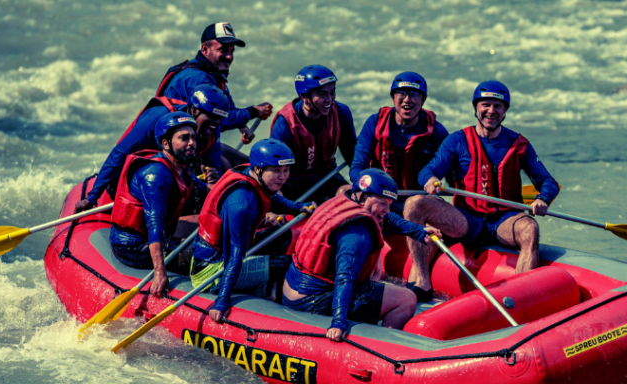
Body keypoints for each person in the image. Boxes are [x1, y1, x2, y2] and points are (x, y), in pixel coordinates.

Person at [403, 80, 560, 302]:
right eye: (485, 105)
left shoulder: (519, 143)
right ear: (476, 107)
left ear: (505, 110)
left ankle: (523, 297)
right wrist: (430, 180)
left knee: (530, 228)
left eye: (498, 106)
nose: (491, 111)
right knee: (414, 203)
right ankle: (422, 281)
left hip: (504, 220)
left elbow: (548, 182)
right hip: (466, 219)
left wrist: (543, 199)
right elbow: (427, 171)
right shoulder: (457, 141)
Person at [282, 169, 441, 342]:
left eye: (389, 203)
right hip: (311, 302)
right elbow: (345, 279)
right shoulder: (357, 235)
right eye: (382, 203)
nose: (387, 209)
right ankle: (383, 345)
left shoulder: (344, 201)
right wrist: (338, 322)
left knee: (374, 282)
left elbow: (388, 219)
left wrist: (418, 231)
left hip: (292, 290)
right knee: (407, 298)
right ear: (364, 197)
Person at [191, 138, 315, 323]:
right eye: (276, 171)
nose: (282, 177)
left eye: (286, 170)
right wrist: (221, 302)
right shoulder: (241, 205)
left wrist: (297, 207)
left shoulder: (250, 172)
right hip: (211, 271)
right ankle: (280, 302)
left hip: (221, 252)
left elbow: (271, 196)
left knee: (283, 235)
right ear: (258, 169)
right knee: (286, 265)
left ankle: (266, 288)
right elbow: (234, 257)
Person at [76, 85, 231, 213]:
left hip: (176, 173)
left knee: (224, 163)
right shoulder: (157, 118)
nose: (215, 124)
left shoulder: (212, 127)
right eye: (211, 118)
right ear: (194, 111)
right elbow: (119, 154)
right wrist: (91, 198)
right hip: (141, 178)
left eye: (219, 119)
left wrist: (213, 174)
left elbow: (213, 163)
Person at [109, 112, 206, 297]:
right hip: (133, 246)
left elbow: (206, 193)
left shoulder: (181, 168)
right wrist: (159, 272)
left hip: (157, 237)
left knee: (210, 231)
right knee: (204, 253)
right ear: (166, 143)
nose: (192, 143)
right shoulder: (156, 175)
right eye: (184, 138)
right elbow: (155, 224)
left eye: (193, 137)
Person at [157, 22, 272, 147]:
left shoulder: (213, 74)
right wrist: (253, 112)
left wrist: (242, 126)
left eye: (231, 51)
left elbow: (227, 108)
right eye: (222, 50)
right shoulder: (198, 79)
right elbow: (216, 120)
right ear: (205, 49)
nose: (229, 56)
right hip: (177, 147)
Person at [350, 71, 449, 215]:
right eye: (401, 93)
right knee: (347, 193)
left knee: (418, 206)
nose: (407, 100)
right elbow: (357, 167)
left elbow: (453, 175)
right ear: (393, 98)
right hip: (381, 196)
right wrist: (366, 188)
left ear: (423, 100)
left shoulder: (436, 131)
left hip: (418, 200)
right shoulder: (374, 123)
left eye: (414, 95)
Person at [269, 65, 357, 204]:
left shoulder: (341, 113)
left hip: (327, 179)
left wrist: (361, 184)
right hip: (291, 184)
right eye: (323, 94)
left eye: (332, 92)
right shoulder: (285, 124)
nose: (329, 99)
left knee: (350, 194)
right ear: (304, 96)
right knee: (275, 196)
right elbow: (274, 170)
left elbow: (353, 155)